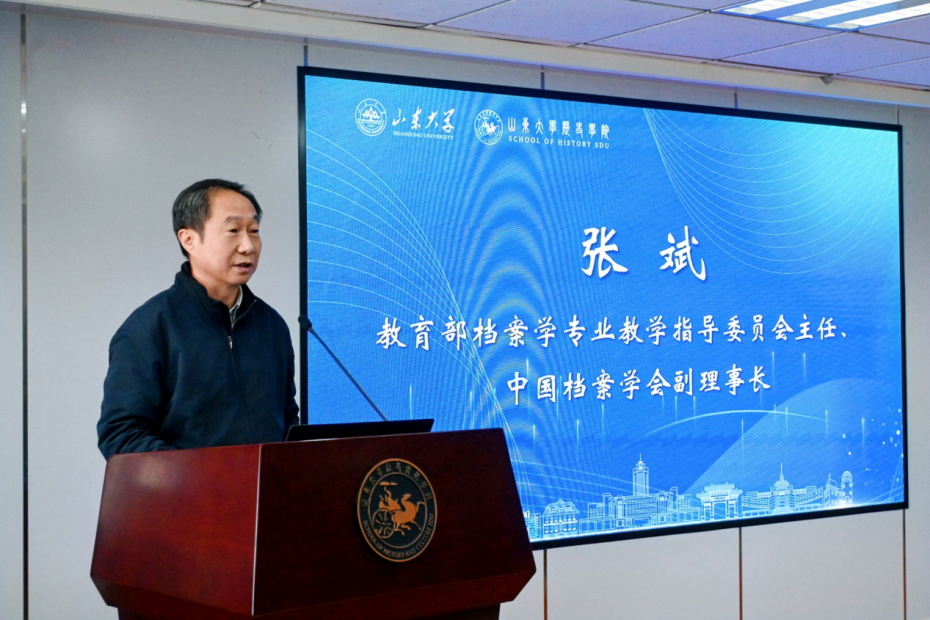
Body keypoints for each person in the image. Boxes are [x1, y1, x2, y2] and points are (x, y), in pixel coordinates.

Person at [97, 179, 299, 459]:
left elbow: (286, 417)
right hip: (190, 488)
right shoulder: (149, 328)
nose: (248, 246)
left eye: (254, 231)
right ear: (188, 239)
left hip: (264, 487)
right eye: (233, 231)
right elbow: (121, 434)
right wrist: (197, 475)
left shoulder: (271, 325)